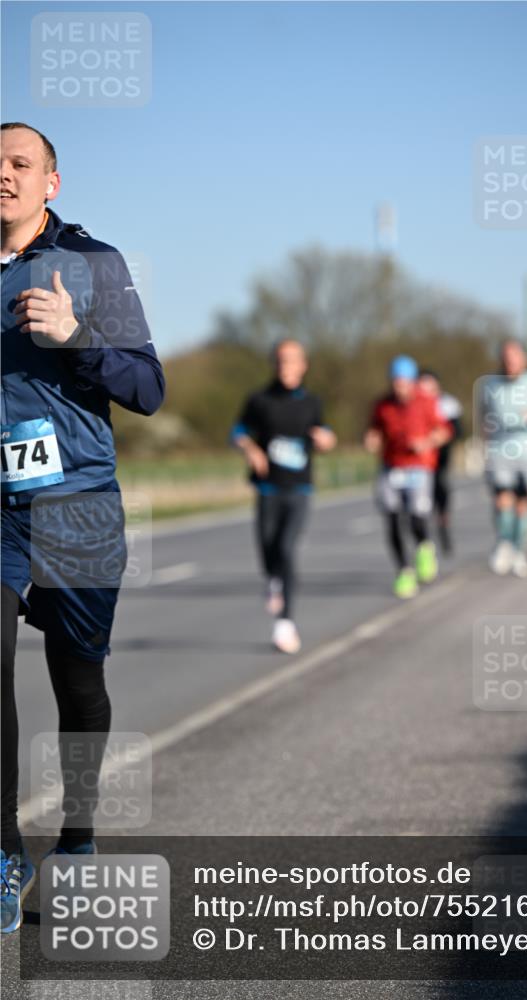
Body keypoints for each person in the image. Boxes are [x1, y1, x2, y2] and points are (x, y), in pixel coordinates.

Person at [1, 123, 165, 932]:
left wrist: (77, 339)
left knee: (78, 680)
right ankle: (3, 853)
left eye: (19, 164)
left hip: (77, 505)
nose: (3, 176)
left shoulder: (93, 263)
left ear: (50, 184)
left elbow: (148, 389)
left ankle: (78, 836)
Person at [232, 340, 336, 653]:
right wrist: (252, 450)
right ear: (273, 364)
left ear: (303, 366)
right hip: (268, 488)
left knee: (287, 548)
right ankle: (273, 581)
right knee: (268, 549)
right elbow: (237, 432)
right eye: (280, 361)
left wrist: (326, 440)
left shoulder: (311, 402)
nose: (286, 367)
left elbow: (325, 434)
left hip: (299, 488)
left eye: (291, 361)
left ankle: (285, 622)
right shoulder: (260, 400)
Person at [365, 355, 451, 598]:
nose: (398, 388)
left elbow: (444, 431)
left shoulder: (426, 402)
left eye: (403, 383)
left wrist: (426, 443)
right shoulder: (382, 405)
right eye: (395, 382)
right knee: (391, 520)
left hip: (419, 468)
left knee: (415, 518)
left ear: (412, 382)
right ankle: (404, 571)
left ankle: (424, 547)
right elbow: (375, 430)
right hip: (391, 467)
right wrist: (371, 439)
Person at [479, 339, 527, 578]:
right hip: (500, 449)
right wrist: (485, 444)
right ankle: (504, 542)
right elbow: (484, 417)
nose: (510, 362)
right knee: (502, 500)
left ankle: (519, 550)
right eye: (505, 358)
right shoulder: (490, 385)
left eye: (514, 357)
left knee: (523, 506)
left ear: (524, 359)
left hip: (526, 451)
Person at [418, 369, 463, 554]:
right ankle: (423, 539)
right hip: (418, 461)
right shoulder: (412, 405)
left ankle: (443, 526)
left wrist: (440, 438)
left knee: (441, 494)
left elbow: (457, 430)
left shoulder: (448, 403)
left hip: (440, 459)